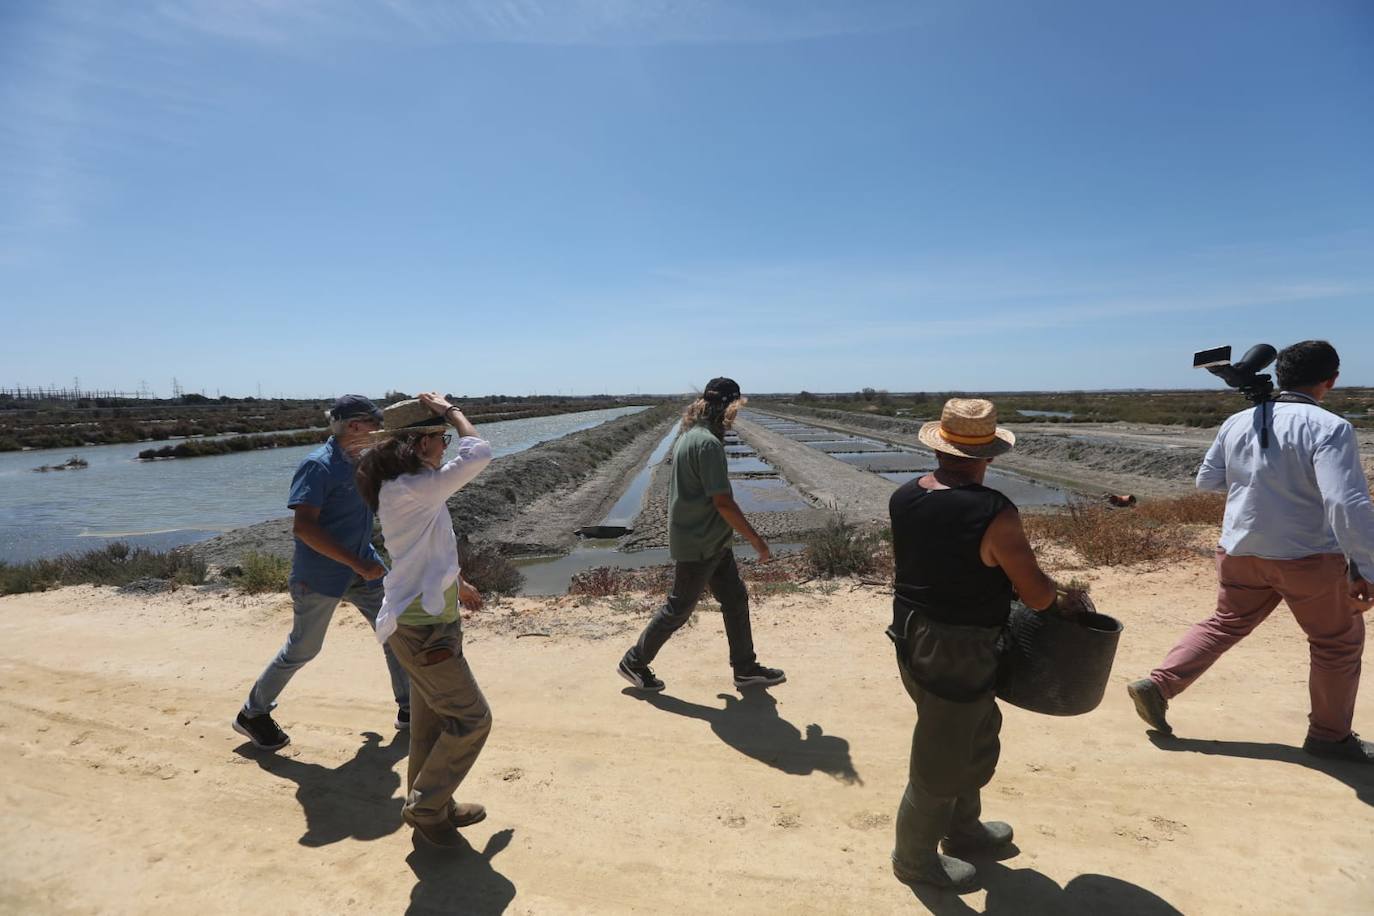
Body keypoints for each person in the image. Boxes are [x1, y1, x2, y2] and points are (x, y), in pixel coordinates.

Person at [1128, 340, 1374, 762]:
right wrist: (1366, 565)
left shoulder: (1238, 421)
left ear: (1280, 375)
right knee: (1336, 642)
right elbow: (1344, 503)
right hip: (1308, 555)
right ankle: (1329, 737)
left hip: (1240, 549)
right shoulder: (1330, 427)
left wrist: (1259, 482)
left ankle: (1160, 683)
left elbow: (1208, 481)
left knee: (1227, 622)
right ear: (1331, 380)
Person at [887, 398, 1088, 890]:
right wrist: (1064, 599)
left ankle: (963, 829)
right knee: (943, 751)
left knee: (974, 732)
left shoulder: (906, 495)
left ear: (939, 448)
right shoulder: (993, 512)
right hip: (958, 644)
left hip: (912, 632)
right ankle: (913, 857)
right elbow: (1037, 595)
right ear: (989, 455)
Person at [356, 392, 494, 849]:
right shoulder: (414, 485)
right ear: (418, 444)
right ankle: (427, 807)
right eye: (438, 439)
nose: (444, 445)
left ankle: (437, 802)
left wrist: (460, 582)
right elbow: (479, 452)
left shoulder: (407, 485)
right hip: (424, 628)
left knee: (432, 723)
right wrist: (451, 412)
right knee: (472, 720)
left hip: (419, 619)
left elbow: (428, 549)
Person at [234, 395, 410, 751]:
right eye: (374, 424)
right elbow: (304, 528)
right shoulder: (318, 466)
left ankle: (409, 708)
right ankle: (252, 714)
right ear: (355, 426)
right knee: (303, 648)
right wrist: (358, 563)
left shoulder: (361, 460)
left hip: (364, 567)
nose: (378, 431)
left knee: (397, 630)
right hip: (320, 576)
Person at [618, 377, 786, 692]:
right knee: (678, 608)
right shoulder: (707, 444)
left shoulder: (690, 436)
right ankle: (634, 661)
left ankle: (746, 668)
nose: (737, 416)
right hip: (699, 543)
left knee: (735, 598)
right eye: (736, 409)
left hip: (711, 540)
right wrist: (757, 541)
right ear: (727, 407)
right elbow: (722, 501)